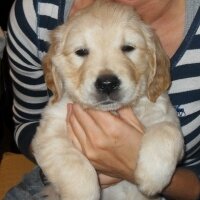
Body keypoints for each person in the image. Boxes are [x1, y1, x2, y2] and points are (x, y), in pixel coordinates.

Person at [4, 0, 200, 199]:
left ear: (153, 59)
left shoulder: (152, 100)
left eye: (127, 47)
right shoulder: (34, 12)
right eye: (81, 52)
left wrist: (157, 163)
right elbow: (42, 137)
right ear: (55, 65)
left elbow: (165, 127)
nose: (107, 80)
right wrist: (80, 187)